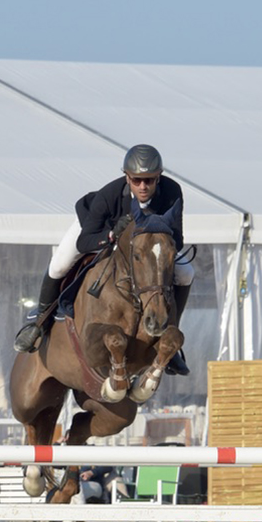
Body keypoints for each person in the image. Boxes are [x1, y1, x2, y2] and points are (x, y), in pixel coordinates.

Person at [12, 144, 193, 376]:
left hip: (147, 247)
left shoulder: (172, 192)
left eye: (149, 180)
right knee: (58, 265)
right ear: (127, 177)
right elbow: (84, 241)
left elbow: (176, 237)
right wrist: (111, 236)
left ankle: (170, 333)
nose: (143, 186)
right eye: (137, 180)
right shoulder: (110, 195)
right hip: (95, 229)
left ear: (159, 177)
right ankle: (38, 325)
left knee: (187, 273)